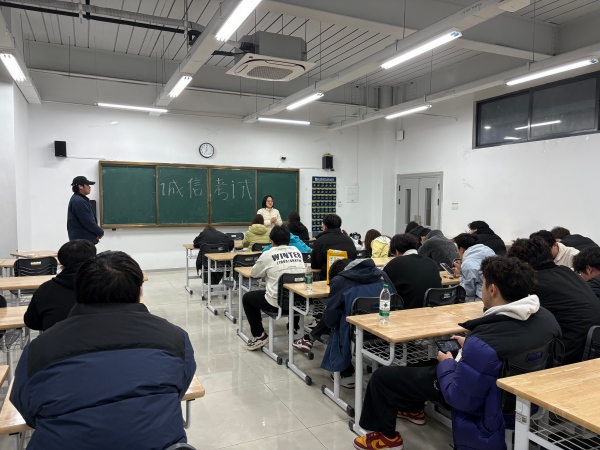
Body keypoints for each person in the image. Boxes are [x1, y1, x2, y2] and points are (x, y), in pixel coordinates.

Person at [352, 256, 561, 450]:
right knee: (420, 368)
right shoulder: (547, 320)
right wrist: (469, 346)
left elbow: (458, 396)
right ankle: (413, 409)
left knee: (383, 377)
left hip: (482, 404)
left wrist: (447, 363)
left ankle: (386, 438)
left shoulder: (484, 340)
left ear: (493, 290)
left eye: (483, 284)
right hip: (522, 400)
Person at [11, 251, 196, 449]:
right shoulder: (175, 337)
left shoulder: (38, 350)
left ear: (79, 293)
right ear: (139, 292)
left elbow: (27, 411)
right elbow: (178, 390)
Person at [294, 259, 395, 388]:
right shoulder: (382, 275)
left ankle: (345, 372)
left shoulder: (340, 281)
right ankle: (310, 338)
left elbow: (330, 318)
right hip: (384, 328)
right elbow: (394, 300)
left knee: (337, 320)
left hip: (355, 333)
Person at [508, 238, 600, 365]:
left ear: (524, 265)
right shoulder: (567, 272)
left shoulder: (533, 283)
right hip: (592, 348)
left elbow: (513, 317)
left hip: (568, 354)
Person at [242, 225, 305, 351]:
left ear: (272, 241)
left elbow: (254, 274)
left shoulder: (268, 254)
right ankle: (293, 326)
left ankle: (259, 335)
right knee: (292, 290)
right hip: (299, 302)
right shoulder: (296, 251)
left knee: (247, 298)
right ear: (288, 240)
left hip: (277, 303)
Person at [24, 240, 96, 331]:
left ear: (61, 265)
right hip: (101, 339)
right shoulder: (106, 287)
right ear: (94, 260)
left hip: (55, 339)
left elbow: (31, 322)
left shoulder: (45, 290)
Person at [383, 234, 441, 309]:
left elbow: (383, 288)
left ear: (397, 252)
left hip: (407, 311)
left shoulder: (394, 264)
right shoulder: (431, 262)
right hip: (435, 309)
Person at [311, 214, 357, 279]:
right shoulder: (349, 240)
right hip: (348, 277)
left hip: (327, 279)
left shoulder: (320, 241)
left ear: (325, 226)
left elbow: (315, 265)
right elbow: (353, 258)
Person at [452, 233, 495, 302]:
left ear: (461, 249)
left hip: (481, 300)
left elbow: (468, 292)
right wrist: (461, 272)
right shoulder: (490, 253)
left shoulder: (467, 263)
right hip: (496, 297)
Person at [67, 175, 104, 244]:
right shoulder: (79, 201)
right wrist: (100, 232)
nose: (89, 187)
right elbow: (88, 221)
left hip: (81, 241)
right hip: (82, 242)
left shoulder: (78, 199)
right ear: (80, 186)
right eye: (87, 185)